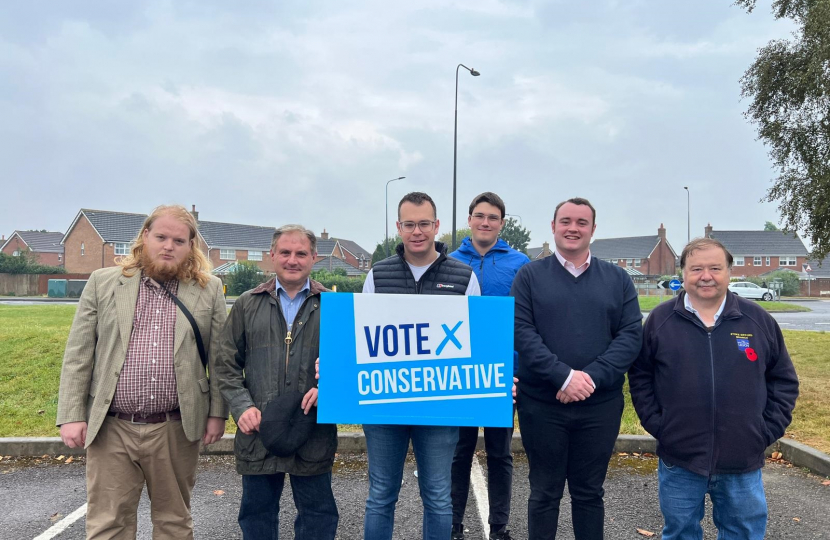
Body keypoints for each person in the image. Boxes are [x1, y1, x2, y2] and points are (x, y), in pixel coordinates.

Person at [56, 204, 228, 539]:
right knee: (108, 523)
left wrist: (218, 413)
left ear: (190, 245)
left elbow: (221, 359)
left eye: (179, 240)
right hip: (111, 426)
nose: (169, 246)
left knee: (174, 522)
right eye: (161, 237)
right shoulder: (103, 283)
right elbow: (78, 354)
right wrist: (71, 414)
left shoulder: (208, 289)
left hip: (176, 427)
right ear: (145, 236)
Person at [629, 237, 798, 540]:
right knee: (680, 532)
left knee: (743, 533)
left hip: (742, 458)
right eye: (696, 269)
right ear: (682, 273)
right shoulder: (659, 321)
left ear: (729, 273)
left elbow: (783, 380)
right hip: (680, 457)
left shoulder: (758, 321)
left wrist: (765, 430)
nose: (705, 276)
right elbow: (641, 377)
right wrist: (660, 426)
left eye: (714, 268)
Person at [511, 197, 642, 540]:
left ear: (593, 231)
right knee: (543, 494)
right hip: (541, 405)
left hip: (599, 406)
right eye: (566, 221)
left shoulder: (618, 279)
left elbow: (630, 335)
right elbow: (521, 332)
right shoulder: (529, 276)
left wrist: (590, 379)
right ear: (553, 227)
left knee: (589, 494)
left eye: (582, 223)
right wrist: (563, 376)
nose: (573, 228)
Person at [362, 191, 480, 540]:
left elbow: (477, 345)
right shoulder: (377, 275)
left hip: (440, 407)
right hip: (385, 404)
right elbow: (360, 340)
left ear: (437, 226)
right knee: (380, 496)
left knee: (439, 497)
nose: (417, 231)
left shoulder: (464, 277)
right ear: (398, 227)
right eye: (410, 224)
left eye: (424, 224)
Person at [215, 225, 338, 540]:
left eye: (301, 253)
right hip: (258, 431)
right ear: (272, 256)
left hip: (312, 430)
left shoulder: (334, 308)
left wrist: (331, 388)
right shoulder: (247, 304)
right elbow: (226, 364)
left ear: (314, 258)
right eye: (285, 252)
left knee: (318, 518)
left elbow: (349, 367)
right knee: (257, 518)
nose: (292, 260)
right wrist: (241, 407)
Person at [449, 192, 529, 540]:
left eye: (493, 217)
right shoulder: (448, 261)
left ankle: (499, 527)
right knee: (459, 452)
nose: (485, 222)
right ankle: (451, 524)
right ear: (469, 220)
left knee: (500, 453)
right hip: (458, 372)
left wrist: (519, 368)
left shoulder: (520, 263)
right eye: (479, 216)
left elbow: (528, 319)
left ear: (502, 223)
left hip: (502, 374)